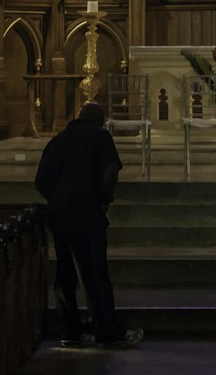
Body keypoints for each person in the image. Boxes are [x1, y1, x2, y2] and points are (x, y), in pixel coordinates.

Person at [34, 101, 143, 350]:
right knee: (94, 274)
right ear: (100, 121)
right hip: (86, 213)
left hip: (59, 215)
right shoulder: (100, 137)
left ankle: (71, 330)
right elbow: (110, 170)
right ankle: (108, 331)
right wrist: (104, 199)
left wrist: (60, 197)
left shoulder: (58, 140)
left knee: (65, 275)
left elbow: (40, 182)